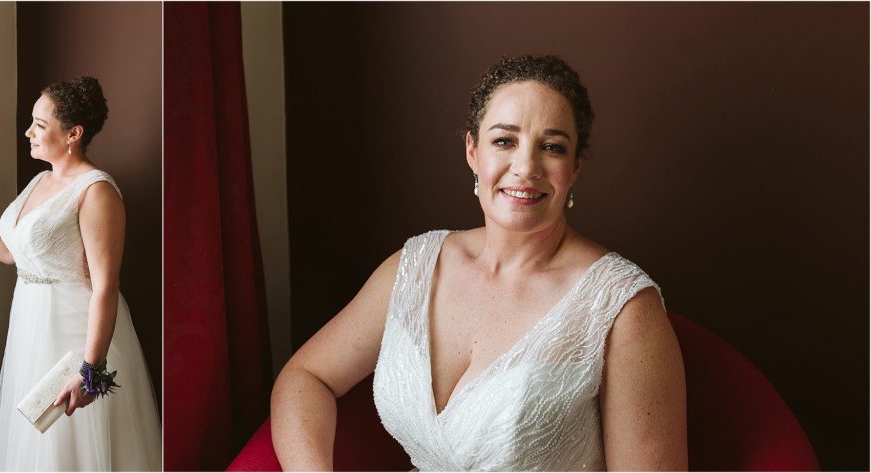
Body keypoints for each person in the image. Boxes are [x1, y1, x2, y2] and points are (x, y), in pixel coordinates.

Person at [270, 55, 687, 471]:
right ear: (472, 150)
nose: (525, 168)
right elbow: (306, 377)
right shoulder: (415, 267)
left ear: (575, 167)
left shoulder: (623, 309)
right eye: (504, 141)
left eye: (553, 147)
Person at [0, 76, 160, 471]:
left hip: (73, 333)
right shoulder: (41, 179)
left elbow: (105, 286)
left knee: (73, 446)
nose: (29, 132)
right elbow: (10, 252)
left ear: (73, 133)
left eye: (40, 124)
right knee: (38, 446)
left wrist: (91, 371)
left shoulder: (96, 191)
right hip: (31, 327)